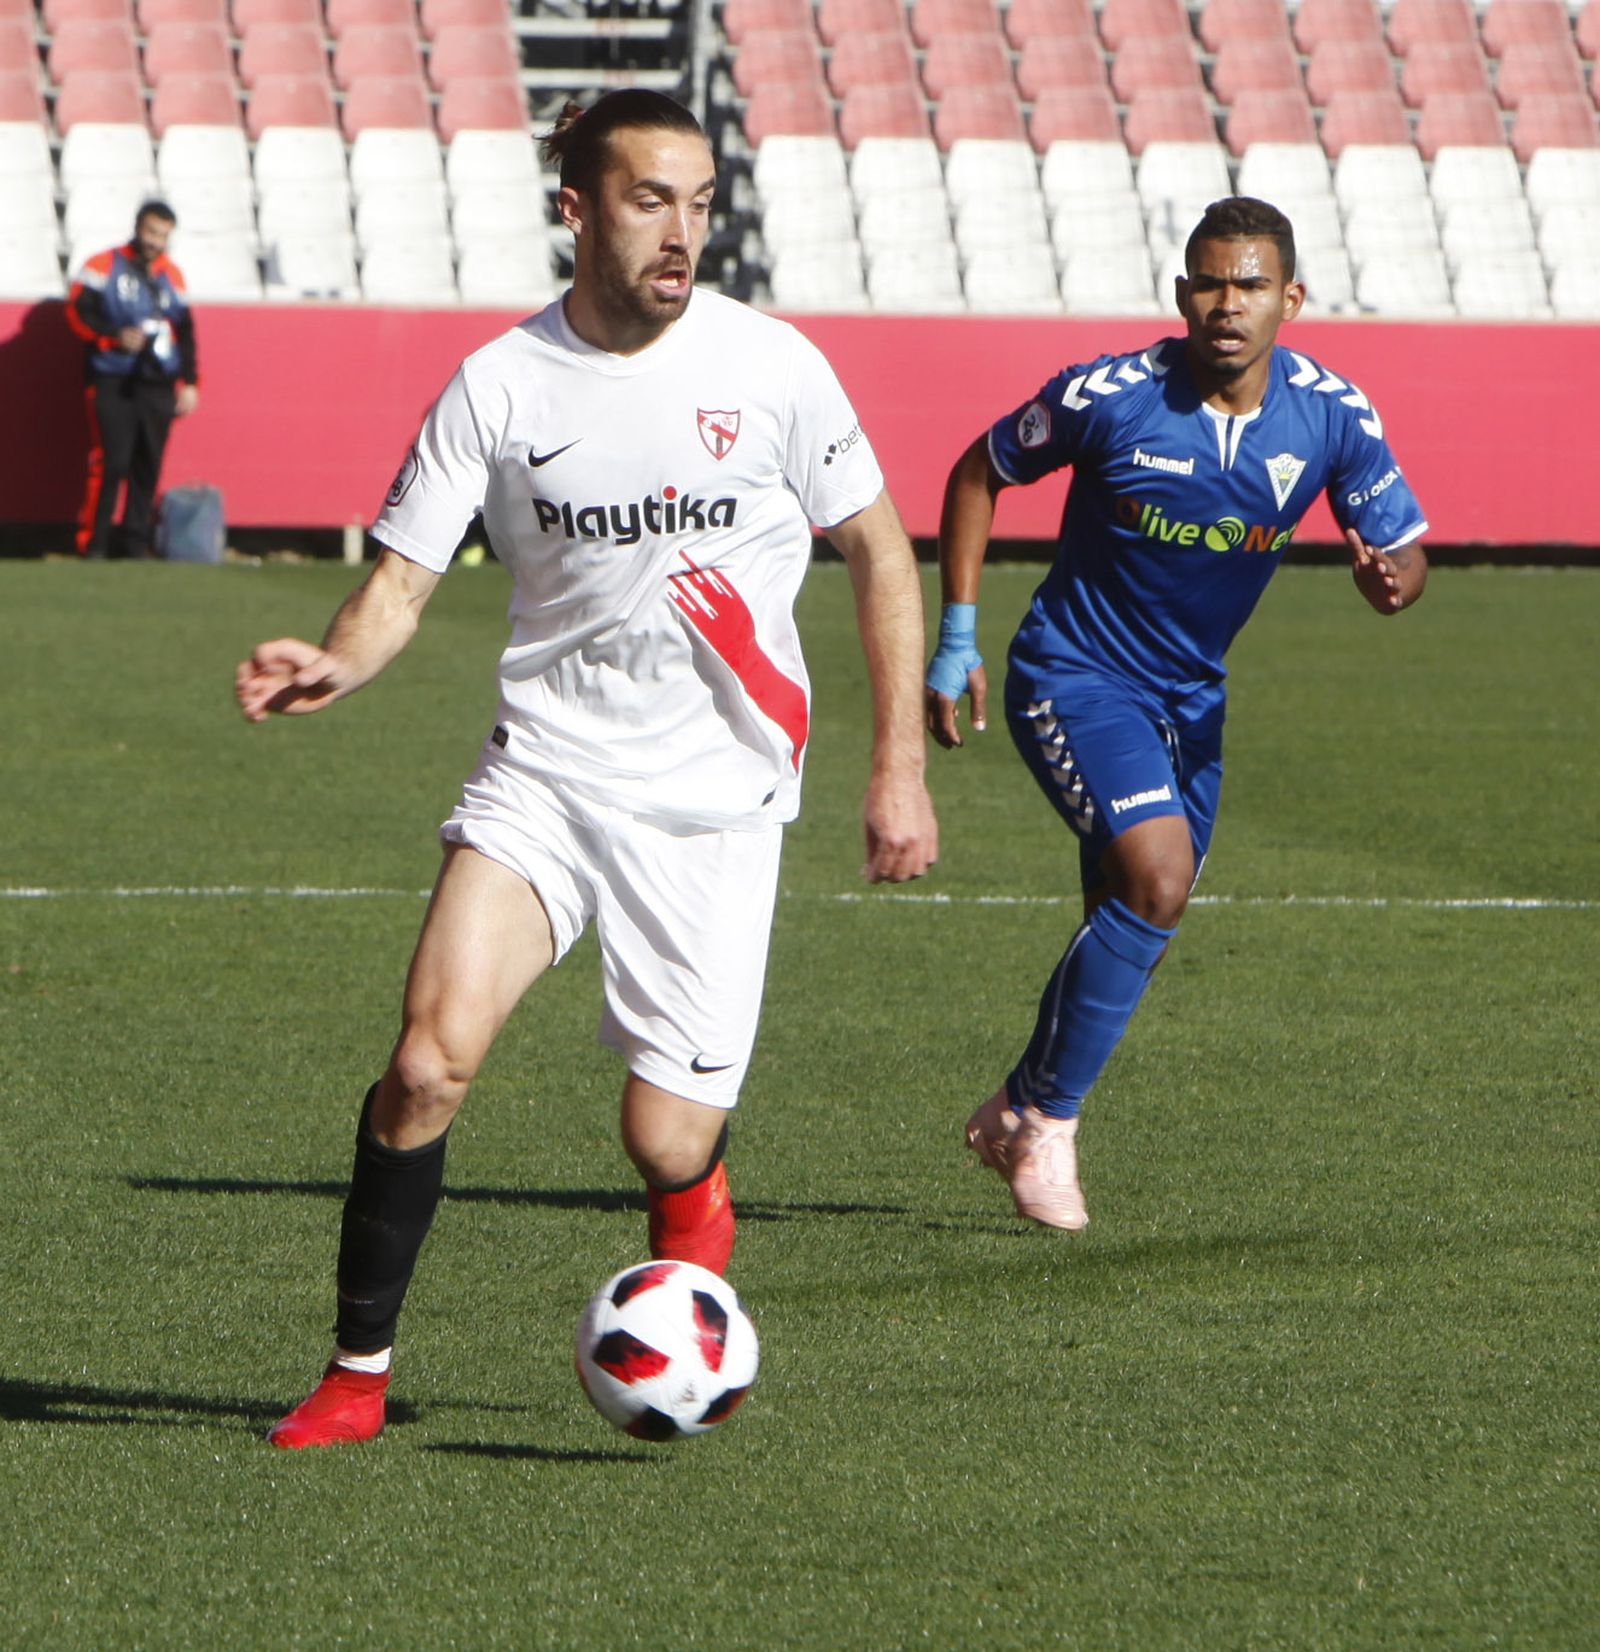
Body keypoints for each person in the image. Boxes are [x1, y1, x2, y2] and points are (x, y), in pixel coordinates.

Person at [236, 89, 938, 1449]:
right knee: (429, 1063)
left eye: (701, 202)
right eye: (647, 200)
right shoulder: (502, 383)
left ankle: (689, 1285)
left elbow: (884, 555)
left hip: (715, 801)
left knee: (668, 1143)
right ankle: (356, 1376)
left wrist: (896, 770)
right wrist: (336, 661)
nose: (684, 232)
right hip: (547, 774)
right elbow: (399, 583)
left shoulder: (776, 368)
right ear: (576, 210)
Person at [926, 196, 1427, 1232]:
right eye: (1206, 282)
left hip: (1191, 700)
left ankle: (1010, 1108)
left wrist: (1392, 578)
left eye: (1248, 285)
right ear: (1179, 294)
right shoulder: (1109, 395)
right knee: (1154, 879)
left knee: (1138, 903)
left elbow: (1405, 551)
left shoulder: (1332, 414)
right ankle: (1050, 1123)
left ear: (1290, 298)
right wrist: (958, 635)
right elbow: (977, 472)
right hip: (1072, 675)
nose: (1224, 304)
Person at [66, 200, 200, 560]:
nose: (156, 241)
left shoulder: (171, 274)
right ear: (138, 227)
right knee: (112, 461)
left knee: (148, 462)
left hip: (156, 381)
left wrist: (189, 381)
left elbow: (185, 329)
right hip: (111, 377)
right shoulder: (103, 265)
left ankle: (135, 546)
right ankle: (94, 544)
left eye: (163, 235)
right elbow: (78, 313)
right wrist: (112, 335)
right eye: (151, 232)